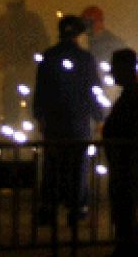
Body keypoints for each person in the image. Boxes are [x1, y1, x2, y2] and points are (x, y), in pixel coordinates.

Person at [33, 14, 102, 227]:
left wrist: (39, 115)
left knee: (52, 165)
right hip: (78, 120)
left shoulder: (49, 56)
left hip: (54, 120)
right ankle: (76, 209)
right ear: (79, 34)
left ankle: (49, 208)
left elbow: (41, 89)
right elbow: (93, 90)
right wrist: (99, 116)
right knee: (78, 166)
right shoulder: (85, 58)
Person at [103, 49, 138, 257]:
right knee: (124, 204)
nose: (112, 72)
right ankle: (129, 246)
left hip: (127, 158)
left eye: (115, 67)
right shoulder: (134, 93)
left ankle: (129, 248)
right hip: (126, 157)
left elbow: (132, 128)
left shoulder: (135, 95)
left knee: (125, 203)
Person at [0, 0, 48, 130]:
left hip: (29, 70)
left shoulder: (33, 20)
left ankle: (36, 138)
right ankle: (9, 139)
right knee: (10, 107)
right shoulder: (2, 22)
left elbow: (43, 42)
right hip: (12, 71)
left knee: (33, 107)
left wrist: (39, 58)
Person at [82, 5, 130, 71]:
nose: (87, 25)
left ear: (100, 21)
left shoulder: (113, 43)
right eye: (84, 22)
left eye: (90, 22)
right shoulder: (81, 41)